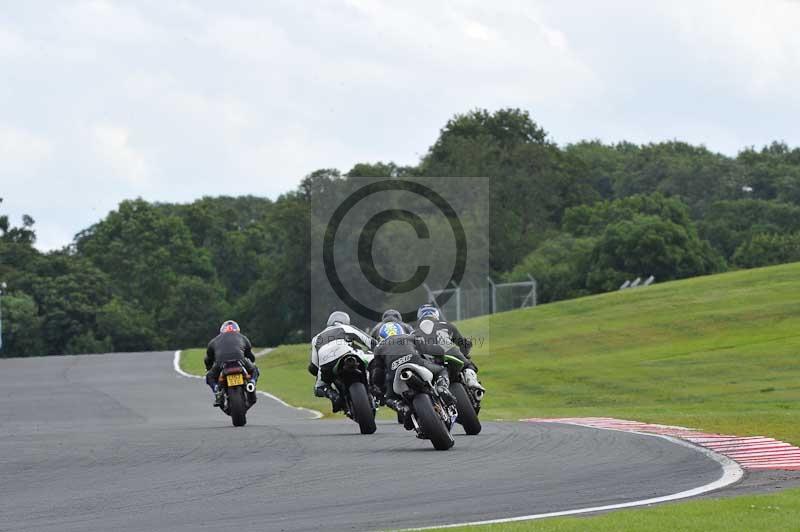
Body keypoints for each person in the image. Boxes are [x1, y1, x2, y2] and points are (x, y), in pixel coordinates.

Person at [370, 322, 454, 428]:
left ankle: (403, 408)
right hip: (416, 362)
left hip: (395, 372)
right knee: (441, 370)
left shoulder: (378, 348)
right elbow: (430, 349)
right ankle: (442, 388)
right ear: (401, 331)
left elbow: (378, 372)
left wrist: (379, 388)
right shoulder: (410, 337)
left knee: (389, 398)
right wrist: (440, 357)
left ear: (381, 337)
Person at [309, 311, 376, 412]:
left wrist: (318, 371)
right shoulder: (347, 328)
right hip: (347, 355)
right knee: (371, 359)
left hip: (326, 365)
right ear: (346, 321)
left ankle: (333, 396)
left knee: (319, 388)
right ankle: (373, 387)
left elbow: (314, 365)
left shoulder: (316, 338)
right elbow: (370, 342)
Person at [413, 304, 484, 392]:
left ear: (419, 317)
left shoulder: (414, 332)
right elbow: (464, 344)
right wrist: (465, 355)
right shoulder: (447, 325)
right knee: (468, 365)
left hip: (427, 359)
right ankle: (472, 381)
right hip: (449, 350)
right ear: (436, 314)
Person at [205, 320, 260, 407]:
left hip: (221, 363)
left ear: (222, 331)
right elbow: (250, 356)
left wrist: (208, 369)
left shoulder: (214, 341)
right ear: (237, 330)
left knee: (209, 376)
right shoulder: (243, 337)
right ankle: (252, 383)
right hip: (240, 360)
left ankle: (217, 390)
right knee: (255, 369)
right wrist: (251, 364)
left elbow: (208, 359)